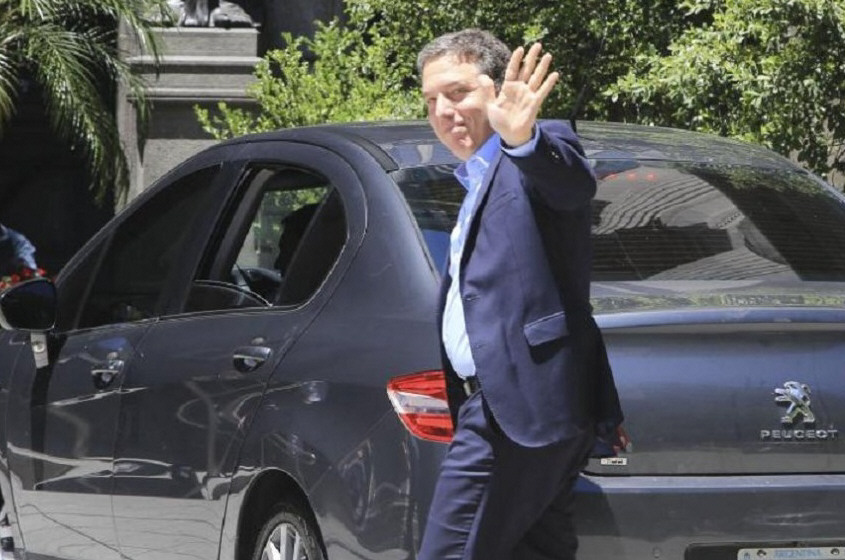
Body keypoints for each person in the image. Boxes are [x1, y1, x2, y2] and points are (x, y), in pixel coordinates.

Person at [416, 29, 625, 560]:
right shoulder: (474, 182)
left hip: (514, 408)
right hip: (512, 408)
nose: (443, 111)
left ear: (498, 89)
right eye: (431, 100)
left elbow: (572, 186)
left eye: (458, 92)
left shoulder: (533, 151)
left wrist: (523, 139)